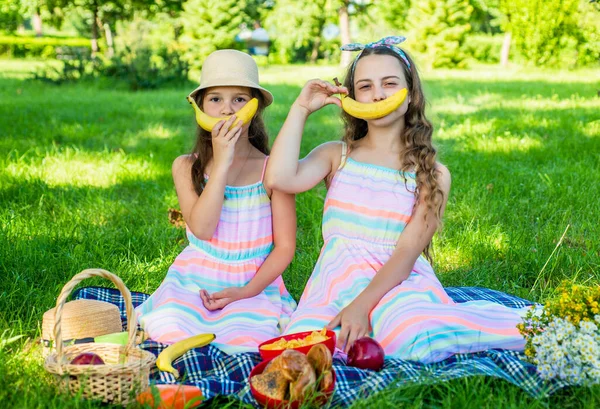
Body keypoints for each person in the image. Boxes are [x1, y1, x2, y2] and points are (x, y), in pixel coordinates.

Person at [265, 36, 527, 364]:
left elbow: (406, 253)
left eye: (390, 83)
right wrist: (301, 109)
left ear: (410, 94)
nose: (378, 94)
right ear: (350, 97)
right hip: (333, 285)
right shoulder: (337, 156)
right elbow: (278, 178)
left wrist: (362, 306)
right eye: (365, 86)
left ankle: (529, 328)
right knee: (301, 351)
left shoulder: (432, 174)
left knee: (413, 337)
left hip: (397, 283)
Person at [135, 50, 297, 354]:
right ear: (200, 107)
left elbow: (286, 247)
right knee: (169, 330)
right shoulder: (185, 166)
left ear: (255, 107)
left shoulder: (272, 169)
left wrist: (246, 292)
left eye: (239, 99)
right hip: (194, 278)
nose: (227, 109)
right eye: (215, 99)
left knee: (247, 341)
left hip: (253, 282)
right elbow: (203, 229)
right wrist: (222, 164)